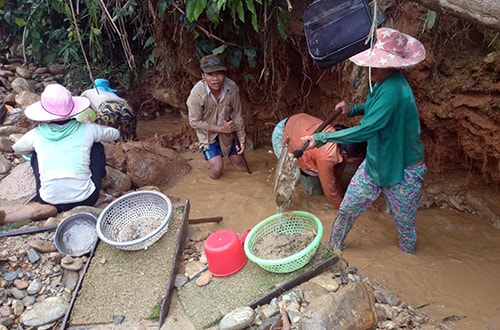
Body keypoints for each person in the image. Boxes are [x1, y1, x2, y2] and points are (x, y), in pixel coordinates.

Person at [301, 27, 427, 254]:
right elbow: (373, 111)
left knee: (405, 226)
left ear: (391, 65)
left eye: (375, 64)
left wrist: (320, 138)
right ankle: (333, 250)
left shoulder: (393, 91)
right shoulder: (380, 82)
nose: (369, 69)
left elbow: (365, 130)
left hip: (403, 170)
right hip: (376, 162)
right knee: (347, 210)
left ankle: (408, 258)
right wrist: (352, 109)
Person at [13, 83, 120, 213]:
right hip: (86, 198)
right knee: (96, 147)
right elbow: (115, 134)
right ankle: (100, 182)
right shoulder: (88, 129)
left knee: (35, 154)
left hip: (47, 200)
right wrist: (92, 125)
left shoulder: (36, 134)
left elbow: (18, 148)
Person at [272, 113, 366, 208]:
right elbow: (330, 192)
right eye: (355, 161)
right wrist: (344, 211)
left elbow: (335, 178)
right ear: (345, 154)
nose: (356, 163)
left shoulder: (343, 142)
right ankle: (282, 212)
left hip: (301, 130)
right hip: (285, 134)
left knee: (316, 192)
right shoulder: (327, 157)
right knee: (292, 177)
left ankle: (305, 174)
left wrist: (341, 198)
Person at [187, 54, 247, 179]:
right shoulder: (197, 93)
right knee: (217, 168)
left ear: (224, 74)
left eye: (219, 73)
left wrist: (241, 140)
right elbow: (194, 122)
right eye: (210, 74)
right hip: (208, 135)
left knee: (239, 164)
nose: (215, 79)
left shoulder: (232, 88)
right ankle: (211, 184)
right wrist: (221, 129)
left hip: (228, 134)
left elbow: (237, 115)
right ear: (203, 75)